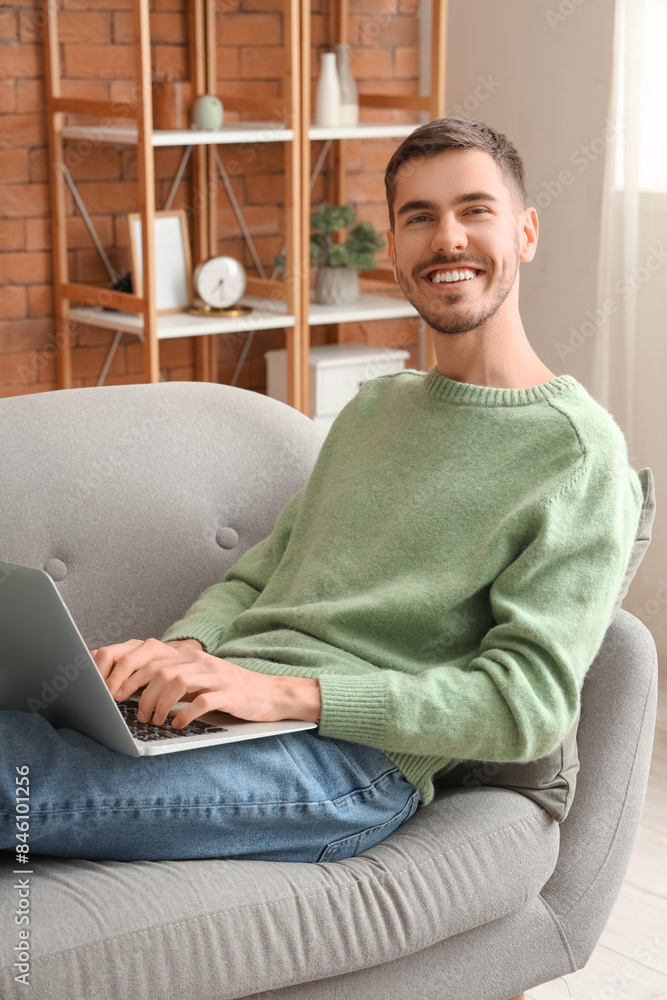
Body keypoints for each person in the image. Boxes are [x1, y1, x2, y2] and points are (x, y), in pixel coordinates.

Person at [0, 117, 642, 864]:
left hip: (348, 766)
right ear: (395, 249)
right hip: (226, 707)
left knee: (20, 778)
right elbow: (259, 573)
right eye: (418, 217)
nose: (447, 239)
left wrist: (282, 694)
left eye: (474, 210)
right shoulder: (377, 406)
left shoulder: (576, 453)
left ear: (525, 232)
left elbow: (523, 708)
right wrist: (179, 653)